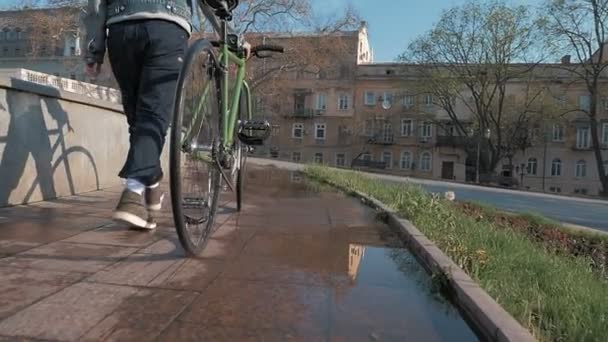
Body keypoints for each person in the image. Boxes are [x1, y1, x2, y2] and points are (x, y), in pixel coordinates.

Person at [84, 0, 196, 229]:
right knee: (152, 115)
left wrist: (94, 50)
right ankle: (132, 196)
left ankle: (152, 186)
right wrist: (230, 31)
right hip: (167, 27)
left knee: (137, 119)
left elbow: (96, 4)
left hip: (121, 31)